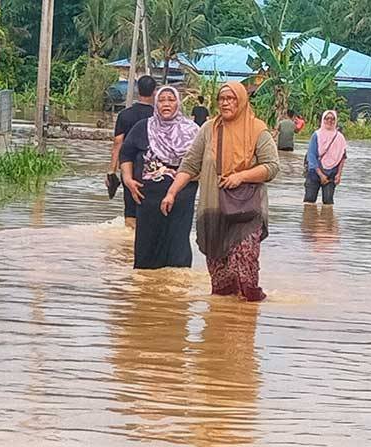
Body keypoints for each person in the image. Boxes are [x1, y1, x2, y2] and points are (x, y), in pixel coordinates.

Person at [161, 82, 280, 302]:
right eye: (222, 98)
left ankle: (246, 325)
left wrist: (241, 176)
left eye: (231, 98)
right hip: (214, 209)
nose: (225, 103)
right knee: (221, 282)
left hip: (246, 211)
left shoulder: (257, 130)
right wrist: (171, 192)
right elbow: (189, 164)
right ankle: (221, 325)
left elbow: (272, 166)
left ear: (242, 100)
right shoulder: (208, 129)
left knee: (246, 269)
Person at [120, 86, 200, 269]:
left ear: (178, 103)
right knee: (147, 244)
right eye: (162, 100)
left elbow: (203, 161)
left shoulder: (192, 130)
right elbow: (126, 153)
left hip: (182, 197)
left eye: (171, 100)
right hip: (147, 198)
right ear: (156, 104)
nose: (166, 104)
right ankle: (146, 288)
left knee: (178, 241)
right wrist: (127, 179)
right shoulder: (144, 127)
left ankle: (176, 290)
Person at [108, 75, 157, 228]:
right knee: (151, 210)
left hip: (127, 167)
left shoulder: (125, 115)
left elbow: (118, 143)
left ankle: (127, 247)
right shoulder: (158, 116)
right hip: (153, 167)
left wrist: (111, 170)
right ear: (155, 92)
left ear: (137, 90)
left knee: (130, 210)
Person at [304, 110, 347, 206]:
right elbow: (311, 156)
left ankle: (327, 221)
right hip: (314, 172)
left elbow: (342, 157)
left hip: (331, 173)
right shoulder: (316, 135)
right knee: (309, 201)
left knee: (328, 202)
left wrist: (339, 174)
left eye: (332, 119)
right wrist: (321, 175)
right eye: (327, 118)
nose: (329, 121)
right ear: (323, 120)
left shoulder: (340, 138)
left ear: (335, 121)